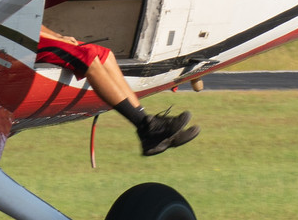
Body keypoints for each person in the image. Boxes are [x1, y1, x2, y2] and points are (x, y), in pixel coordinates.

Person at [36, 24, 198, 157]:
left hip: (35, 37)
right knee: (87, 58)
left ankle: (151, 128)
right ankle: (150, 129)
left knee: (104, 54)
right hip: (24, 43)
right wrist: (56, 38)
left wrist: (57, 36)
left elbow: (32, 17)